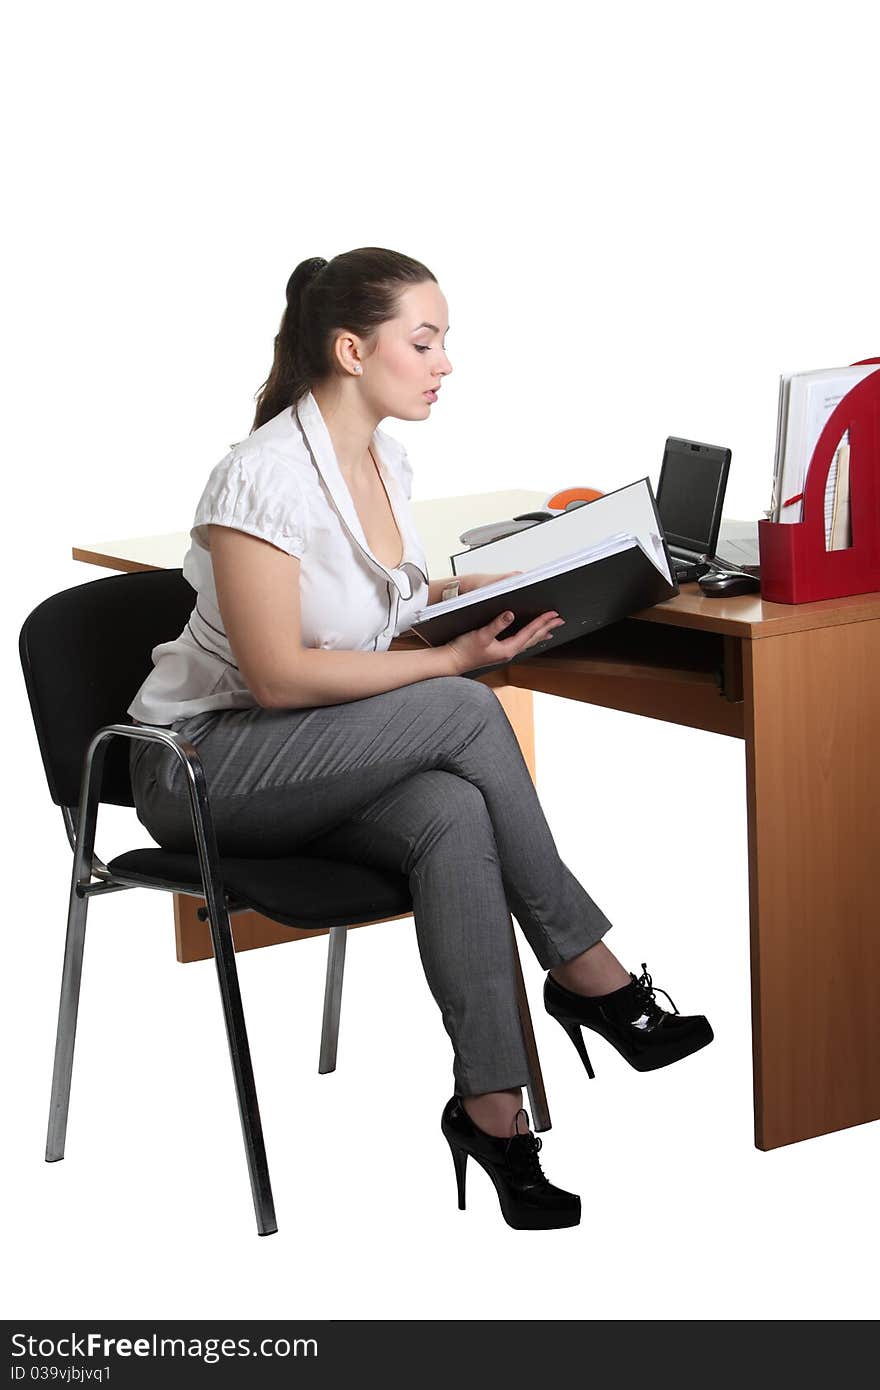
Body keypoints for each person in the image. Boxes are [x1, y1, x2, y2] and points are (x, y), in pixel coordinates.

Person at [127, 247, 713, 1231]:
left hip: (307, 751)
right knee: (463, 706)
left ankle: (493, 1112)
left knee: (451, 810)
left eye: (445, 343)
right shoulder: (257, 479)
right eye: (425, 341)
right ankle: (587, 971)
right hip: (202, 762)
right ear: (352, 349)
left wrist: (462, 596)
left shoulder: (386, 460)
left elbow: (360, 615)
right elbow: (277, 673)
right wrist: (449, 663)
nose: (444, 364)